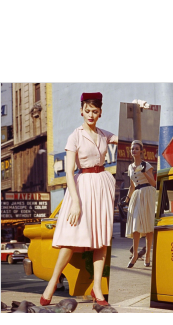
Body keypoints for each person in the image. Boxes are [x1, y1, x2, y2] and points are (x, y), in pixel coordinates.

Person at [40, 92, 118, 307]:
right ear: (81, 111)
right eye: (87, 110)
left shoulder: (104, 134)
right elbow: (68, 171)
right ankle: (53, 282)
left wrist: (140, 112)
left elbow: (131, 139)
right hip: (81, 187)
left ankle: (97, 289)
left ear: (100, 112)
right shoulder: (75, 135)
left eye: (95, 111)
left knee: (101, 240)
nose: (91, 114)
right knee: (71, 237)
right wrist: (75, 201)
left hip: (102, 185)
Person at [124, 140, 156, 268]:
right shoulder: (129, 167)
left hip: (148, 193)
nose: (134, 151)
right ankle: (135, 254)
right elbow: (132, 186)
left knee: (148, 224)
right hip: (137, 195)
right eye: (132, 149)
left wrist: (143, 172)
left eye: (136, 149)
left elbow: (153, 183)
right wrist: (126, 200)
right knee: (135, 224)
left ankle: (148, 254)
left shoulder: (146, 165)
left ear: (141, 151)